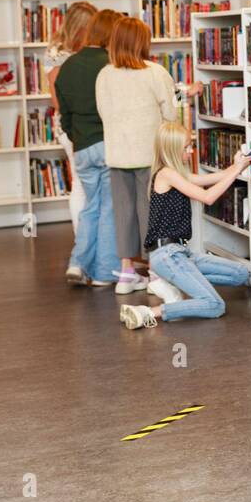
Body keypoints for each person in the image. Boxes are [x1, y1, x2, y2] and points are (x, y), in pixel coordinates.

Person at [118, 121, 251, 330]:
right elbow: (208, 197)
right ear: (172, 149)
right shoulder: (166, 174)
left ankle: (172, 282)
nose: (191, 151)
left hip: (181, 253)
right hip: (167, 255)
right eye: (186, 147)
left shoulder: (177, 173)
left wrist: (237, 166)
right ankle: (149, 312)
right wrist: (237, 172)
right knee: (215, 305)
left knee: (241, 274)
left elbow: (210, 179)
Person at [95, 16, 180, 296]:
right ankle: (156, 274)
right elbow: (170, 114)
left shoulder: (104, 75)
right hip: (149, 154)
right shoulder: (155, 72)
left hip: (117, 154)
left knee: (124, 213)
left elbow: (102, 112)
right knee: (151, 212)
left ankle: (127, 274)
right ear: (142, 43)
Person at [55, 8, 121, 287]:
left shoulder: (68, 65)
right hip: (108, 143)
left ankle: (77, 264)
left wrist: (77, 137)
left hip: (81, 147)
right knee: (108, 209)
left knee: (91, 207)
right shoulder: (112, 65)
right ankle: (105, 274)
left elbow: (64, 114)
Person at [46, 2, 96, 231]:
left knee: (86, 183)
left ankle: (88, 240)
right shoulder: (58, 54)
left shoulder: (73, 52)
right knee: (80, 184)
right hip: (72, 126)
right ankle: (81, 239)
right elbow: (57, 98)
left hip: (82, 124)